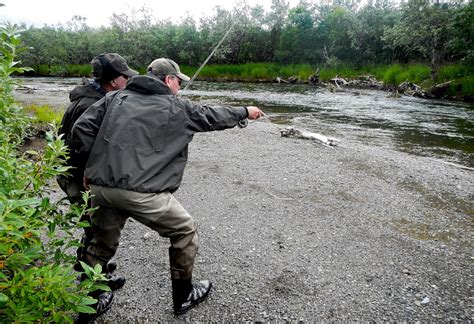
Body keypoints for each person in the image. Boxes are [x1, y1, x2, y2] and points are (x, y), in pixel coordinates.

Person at [71, 58, 264, 315]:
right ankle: (183, 295)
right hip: (142, 194)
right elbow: (212, 115)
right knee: (185, 231)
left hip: (101, 188)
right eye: (178, 81)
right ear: (168, 80)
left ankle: (91, 300)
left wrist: (88, 168)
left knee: (101, 242)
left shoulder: (114, 98)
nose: (179, 87)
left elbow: (81, 128)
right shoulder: (178, 107)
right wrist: (244, 111)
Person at [56, 53, 138, 320]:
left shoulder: (91, 96)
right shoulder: (93, 104)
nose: (128, 80)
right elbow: (79, 142)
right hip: (79, 178)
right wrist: (90, 173)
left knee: (89, 226)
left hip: (73, 175)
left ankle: (90, 270)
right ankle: (92, 295)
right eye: (125, 76)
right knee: (99, 231)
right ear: (114, 81)